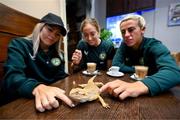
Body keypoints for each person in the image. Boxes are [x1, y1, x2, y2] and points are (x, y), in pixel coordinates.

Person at [0, 13, 74, 112]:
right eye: (50, 29)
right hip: (19, 103)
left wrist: (72, 78)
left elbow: (60, 76)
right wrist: (36, 87)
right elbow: (12, 77)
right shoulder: (19, 45)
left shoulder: (58, 55)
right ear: (40, 27)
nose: (52, 36)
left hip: (49, 102)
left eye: (57, 34)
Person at [100, 14, 180, 100]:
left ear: (143, 29)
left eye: (131, 30)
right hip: (129, 85)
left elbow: (174, 72)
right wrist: (141, 70)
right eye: (123, 32)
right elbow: (116, 65)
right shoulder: (124, 45)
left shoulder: (154, 45)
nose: (126, 35)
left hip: (156, 93)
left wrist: (140, 85)